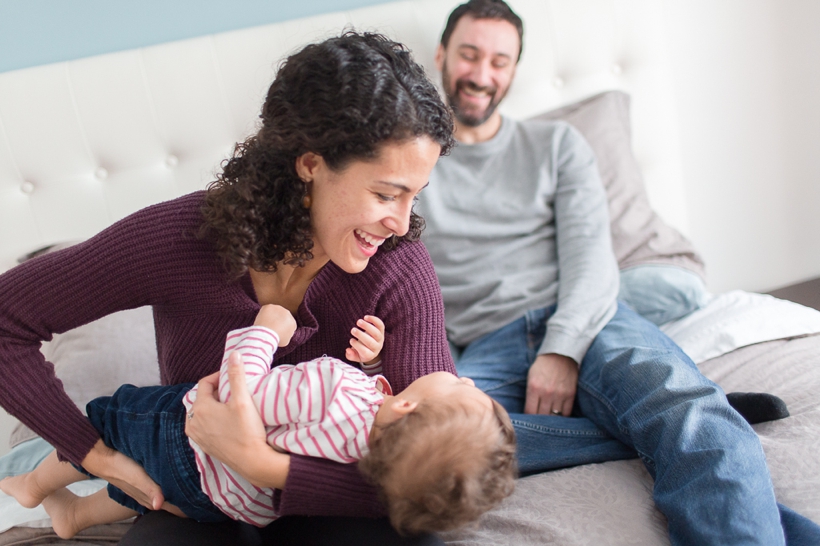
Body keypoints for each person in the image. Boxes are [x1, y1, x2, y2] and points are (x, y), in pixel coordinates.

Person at [0, 32, 458, 546]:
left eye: (413, 197)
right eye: (385, 194)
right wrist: (92, 453)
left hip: (327, 492)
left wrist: (264, 465)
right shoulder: (180, 239)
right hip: (196, 486)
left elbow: (436, 475)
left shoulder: (399, 263)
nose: (401, 223)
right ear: (311, 164)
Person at [414, 1, 820, 544]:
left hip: (587, 320)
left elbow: (591, 257)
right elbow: (410, 285)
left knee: (684, 409)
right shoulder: (411, 165)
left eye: (499, 60)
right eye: (469, 55)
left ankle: (665, 428)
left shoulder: (556, 144)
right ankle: (626, 433)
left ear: (513, 69)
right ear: (442, 55)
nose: (482, 75)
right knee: (432, 450)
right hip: (485, 343)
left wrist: (562, 347)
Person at [1, 304, 516, 538]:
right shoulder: (378, 461)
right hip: (225, 503)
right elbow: (358, 421)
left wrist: (264, 331)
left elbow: (238, 394)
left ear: (406, 405)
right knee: (144, 491)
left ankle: (35, 483)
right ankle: (77, 518)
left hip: (191, 445)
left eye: (461, 387)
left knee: (110, 422)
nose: (465, 379)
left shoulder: (335, 389)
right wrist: (376, 364)